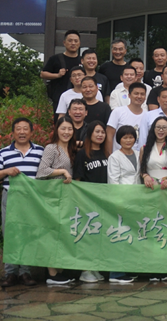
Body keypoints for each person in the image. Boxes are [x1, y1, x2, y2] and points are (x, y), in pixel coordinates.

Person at [0, 118, 45, 288]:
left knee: (29, 233)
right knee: (10, 234)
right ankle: (10, 273)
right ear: (13, 133)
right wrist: (6, 171)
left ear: (31, 132)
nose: (22, 132)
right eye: (18, 129)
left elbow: (46, 172)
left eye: (25, 129)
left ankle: (25, 273)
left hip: (32, 199)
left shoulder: (40, 151)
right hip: (11, 197)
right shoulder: (4, 152)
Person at [35, 117, 77, 284]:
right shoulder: (51, 148)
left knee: (62, 233)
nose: (66, 132)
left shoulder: (72, 149)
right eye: (63, 128)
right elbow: (42, 171)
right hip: (52, 196)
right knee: (51, 232)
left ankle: (59, 271)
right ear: (57, 130)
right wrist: (62, 172)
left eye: (69, 129)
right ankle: (51, 274)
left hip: (67, 198)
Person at [71, 120, 109, 284]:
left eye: (102, 132)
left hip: (104, 202)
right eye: (97, 132)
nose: (100, 135)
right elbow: (77, 179)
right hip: (88, 202)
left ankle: (95, 268)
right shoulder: (82, 154)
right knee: (88, 235)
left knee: (99, 235)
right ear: (90, 133)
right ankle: (85, 270)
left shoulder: (106, 153)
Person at [105, 125, 139, 284]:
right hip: (122, 201)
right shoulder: (115, 157)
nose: (128, 140)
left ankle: (128, 268)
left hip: (137, 201)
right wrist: (118, 202)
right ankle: (116, 273)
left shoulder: (138, 154)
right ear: (119, 140)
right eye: (125, 137)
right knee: (120, 236)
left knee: (132, 236)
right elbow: (113, 181)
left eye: (131, 137)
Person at [41, 30, 82, 111]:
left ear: (79, 43)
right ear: (64, 43)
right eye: (70, 41)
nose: (73, 43)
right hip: (59, 99)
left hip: (80, 98)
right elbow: (43, 74)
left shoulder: (82, 60)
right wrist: (57, 75)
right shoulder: (55, 59)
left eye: (76, 41)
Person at [139, 117, 167, 195]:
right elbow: (141, 169)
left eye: (164, 127)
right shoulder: (144, 149)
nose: (161, 130)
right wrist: (145, 176)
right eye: (158, 127)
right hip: (150, 186)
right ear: (153, 129)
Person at [106, 82, 146, 153]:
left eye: (142, 94)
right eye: (136, 93)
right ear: (129, 95)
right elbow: (109, 135)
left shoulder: (147, 115)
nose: (139, 96)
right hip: (119, 155)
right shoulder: (118, 112)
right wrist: (109, 155)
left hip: (139, 155)